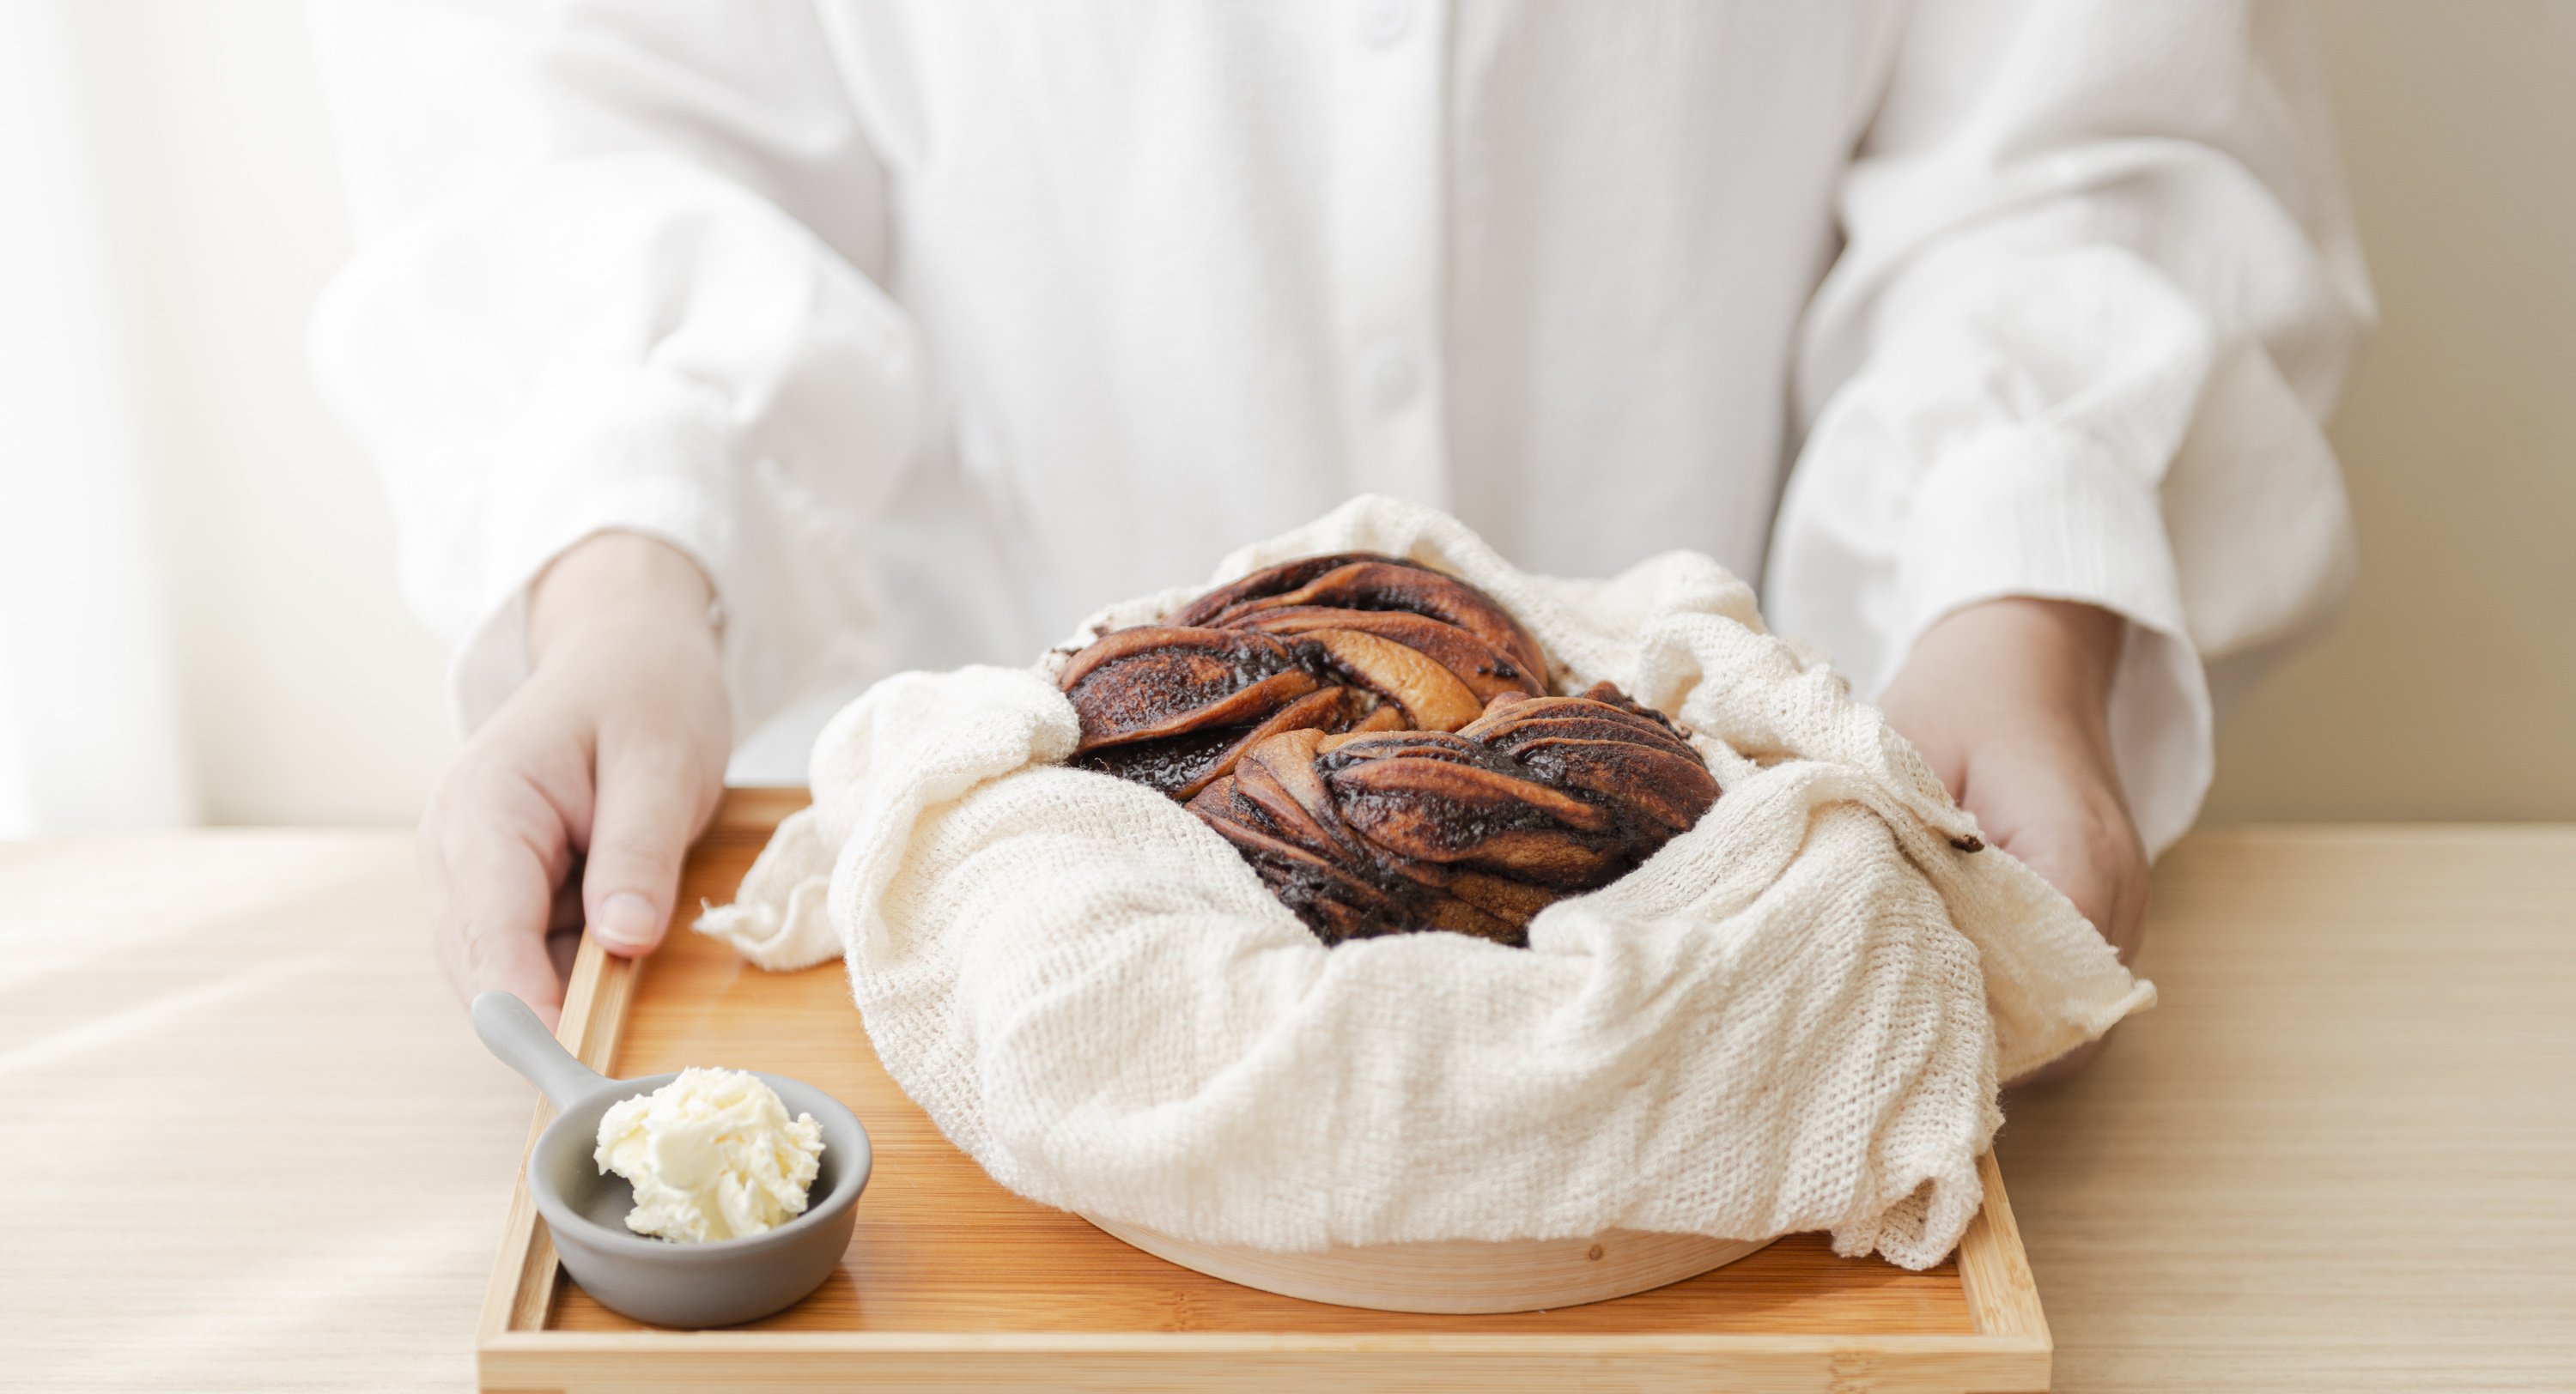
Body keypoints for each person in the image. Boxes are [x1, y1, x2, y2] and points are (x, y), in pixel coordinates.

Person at [309, 1, 2371, 1032]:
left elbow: (2077, 123)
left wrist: (2013, 602)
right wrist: (626, 573)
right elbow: (593, 98)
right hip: (970, 936)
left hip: (1721, 934)